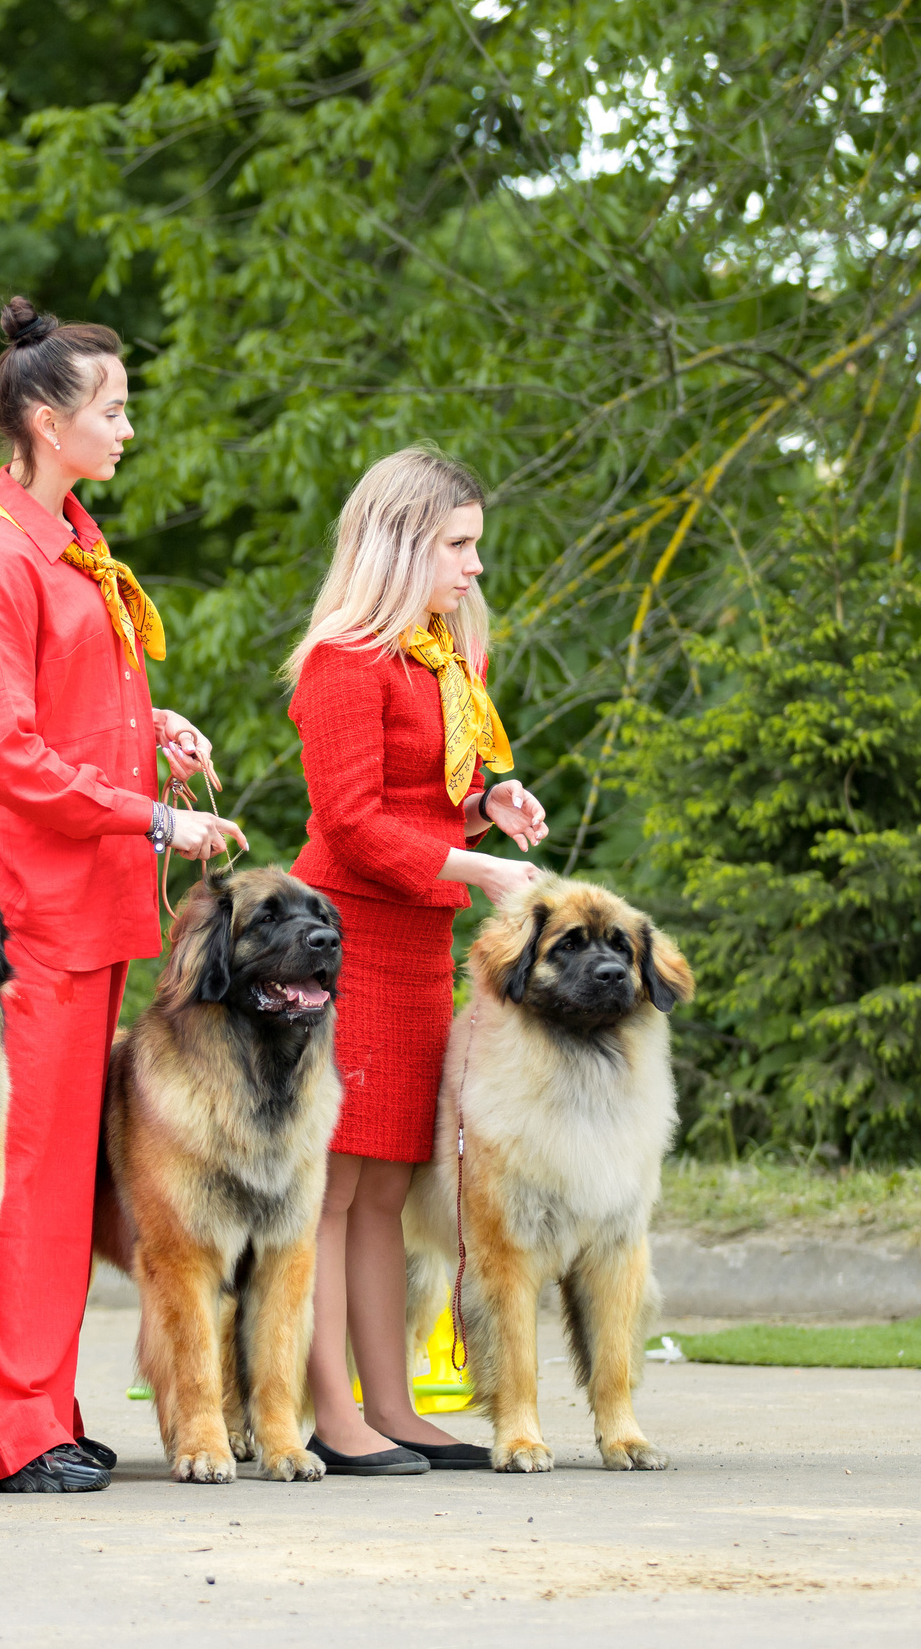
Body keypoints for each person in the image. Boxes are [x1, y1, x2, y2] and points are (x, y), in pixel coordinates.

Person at [0, 298, 245, 1494]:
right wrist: (153, 817)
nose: (127, 427)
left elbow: (64, 712)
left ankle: (42, 1407)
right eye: (111, 410)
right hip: (32, 912)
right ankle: (0, 1430)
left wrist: (146, 729)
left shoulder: (71, 542)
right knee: (20, 1180)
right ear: (43, 419)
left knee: (65, 1179)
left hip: (89, 905)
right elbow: (0, 753)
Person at [284, 444, 548, 1475]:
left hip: (413, 941)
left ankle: (391, 1403)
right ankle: (325, 1410)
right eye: (457, 546)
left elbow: (434, 787)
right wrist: (474, 868)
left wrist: (490, 804)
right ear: (399, 546)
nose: (474, 566)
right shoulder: (342, 664)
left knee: (387, 1189)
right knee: (331, 1189)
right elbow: (348, 823)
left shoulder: (447, 657)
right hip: (340, 940)